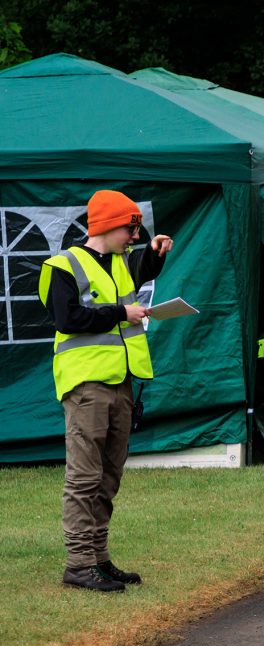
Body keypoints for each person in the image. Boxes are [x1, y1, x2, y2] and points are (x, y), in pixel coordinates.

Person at [38, 190, 174, 592]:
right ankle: (79, 564)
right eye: (131, 230)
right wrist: (121, 313)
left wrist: (154, 252)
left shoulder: (118, 263)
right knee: (84, 477)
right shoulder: (62, 265)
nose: (133, 238)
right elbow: (68, 318)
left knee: (109, 476)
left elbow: (137, 272)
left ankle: (98, 558)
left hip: (121, 382)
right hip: (86, 385)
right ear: (108, 225)